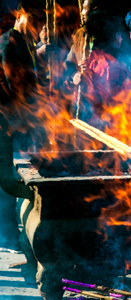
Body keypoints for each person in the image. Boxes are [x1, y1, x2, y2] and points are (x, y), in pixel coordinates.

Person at [0, 0, 45, 251]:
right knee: (7, 180)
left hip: (21, 122)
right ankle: (9, 239)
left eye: (41, 21)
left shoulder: (27, 45)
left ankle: (13, 237)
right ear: (20, 15)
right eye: (34, 19)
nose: (38, 25)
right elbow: (10, 87)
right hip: (8, 123)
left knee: (14, 177)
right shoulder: (9, 42)